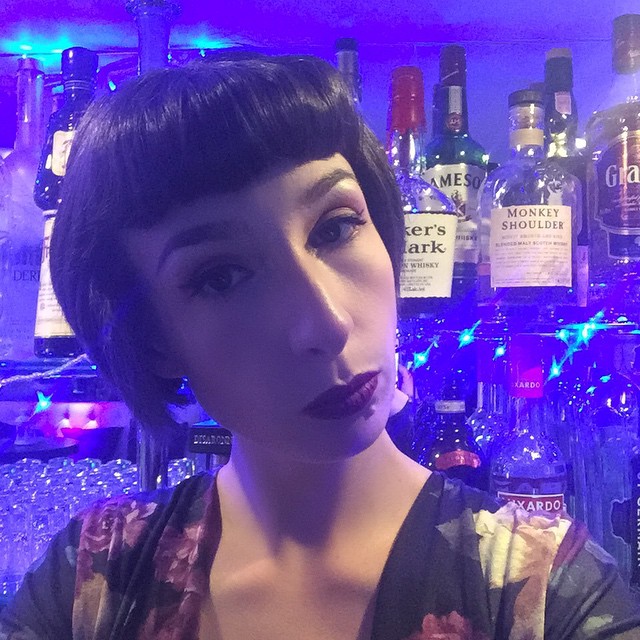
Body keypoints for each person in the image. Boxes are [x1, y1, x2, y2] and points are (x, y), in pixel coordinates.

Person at [0, 53, 639, 640]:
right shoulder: (94, 576)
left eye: (335, 228)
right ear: (154, 339)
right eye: (221, 276)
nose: (325, 324)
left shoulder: (548, 590)